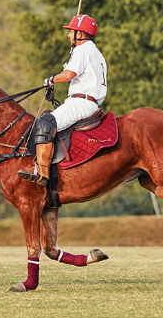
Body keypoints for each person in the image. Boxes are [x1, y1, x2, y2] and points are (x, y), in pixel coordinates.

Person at [18, 14, 108, 192]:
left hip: (82, 102)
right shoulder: (96, 52)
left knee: (46, 122)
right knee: (48, 117)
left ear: (80, 34)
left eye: (71, 32)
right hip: (88, 102)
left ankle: (42, 173)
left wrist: (51, 79)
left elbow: (68, 75)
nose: (69, 35)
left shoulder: (83, 50)